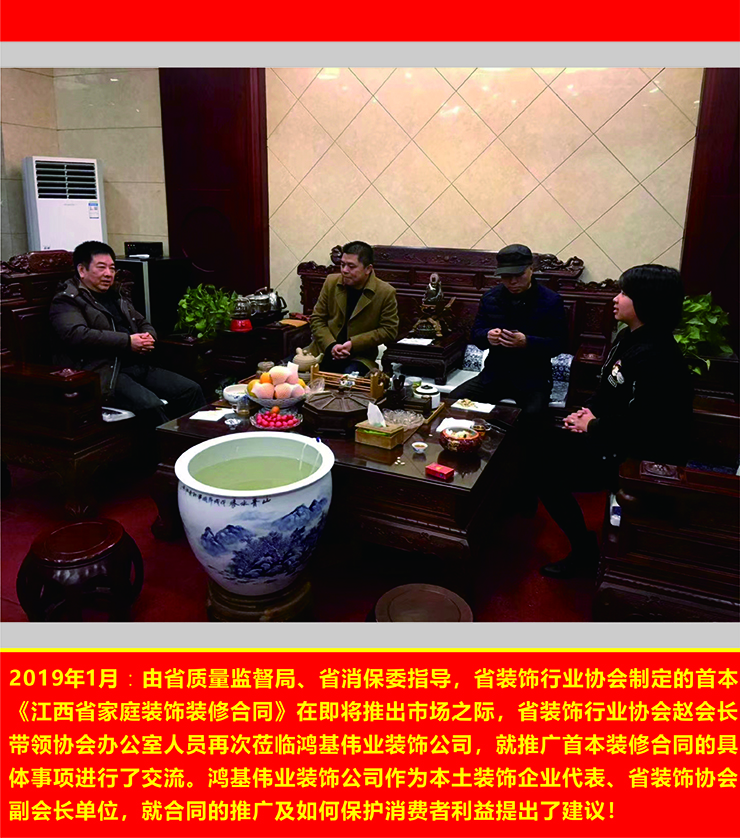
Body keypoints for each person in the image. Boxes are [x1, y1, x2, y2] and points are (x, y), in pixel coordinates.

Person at [537, 263, 694, 579]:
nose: (616, 298)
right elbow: (607, 388)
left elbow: (646, 426)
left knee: (547, 476)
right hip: (613, 434)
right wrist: (587, 412)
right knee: (540, 446)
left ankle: (584, 552)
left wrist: (592, 426)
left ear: (646, 302)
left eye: (624, 293)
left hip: (639, 455)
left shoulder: (658, 356)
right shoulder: (629, 336)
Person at [50, 241, 206, 426]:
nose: (109, 274)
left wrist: (148, 337)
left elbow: (142, 322)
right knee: (151, 406)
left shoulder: (116, 294)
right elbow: (76, 335)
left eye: (112, 268)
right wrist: (127, 341)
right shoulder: (67, 300)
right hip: (106, 372)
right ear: (82, 270)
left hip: (138, 365)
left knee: (191, 390)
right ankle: (168, 444)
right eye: (101, 267)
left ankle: (199, 439)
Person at [449, 244, 568, 421]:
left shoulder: (551, 301)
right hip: (494, 375)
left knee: (534, 416)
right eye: (506, 276)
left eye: (518, 275)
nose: (512, 282)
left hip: (533, 379)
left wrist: (526, 342)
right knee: (454, 402)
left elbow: (559, 344)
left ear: (531, 269)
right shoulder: (491, 298)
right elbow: (476, 335)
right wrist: (488, 336)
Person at [306, 241, 399, 374]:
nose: (344, 270)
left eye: (351, 266)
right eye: (342, 264)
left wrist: (353, 344)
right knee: (286, 373)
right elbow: (317, 319)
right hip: (323, 350)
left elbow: (389, 330)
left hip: (359, 357)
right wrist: (331, 345)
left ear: (368, 269)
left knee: (348, 380)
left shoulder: (385, 292)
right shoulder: (331, 282)